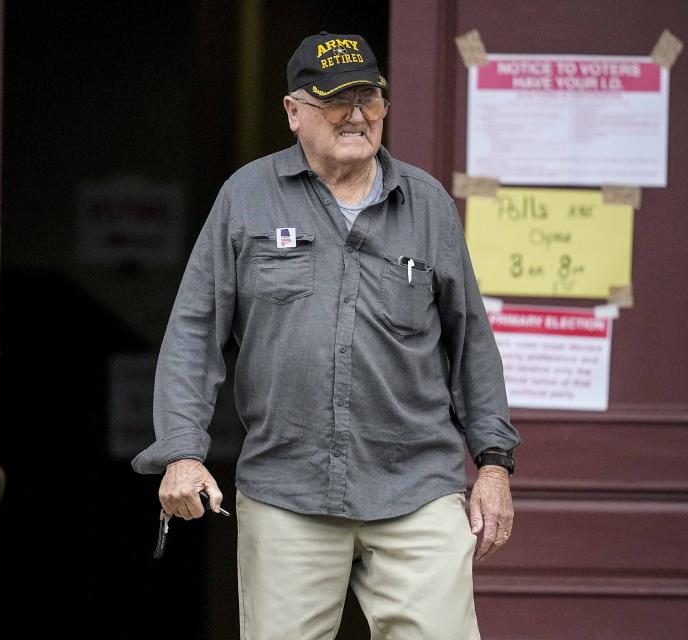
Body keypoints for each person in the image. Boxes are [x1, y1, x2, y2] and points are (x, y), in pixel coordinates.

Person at [131, 30, 522, 639]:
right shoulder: (247, 198)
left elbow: (472, 343)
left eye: (370, 99)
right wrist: (181, 452)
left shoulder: (427, 205)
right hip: (289, 488)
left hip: (416, 486)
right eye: (339, 100)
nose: (359, 115)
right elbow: (193, 331)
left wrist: (494, 466)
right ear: (294, 112)